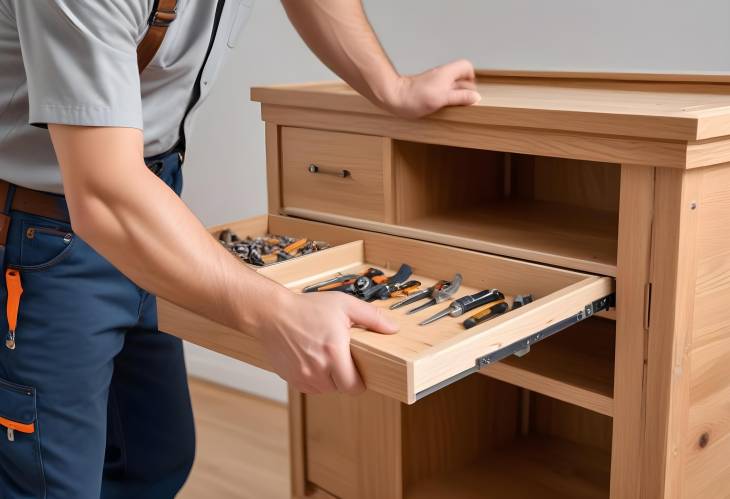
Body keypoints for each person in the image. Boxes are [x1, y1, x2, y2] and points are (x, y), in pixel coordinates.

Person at [0, 1, 480, 497]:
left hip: (149, 197)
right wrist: (277, 314)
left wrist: (391, 86)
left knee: (153, 459)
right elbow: (105, 196)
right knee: (50, 485)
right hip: (47, 231)